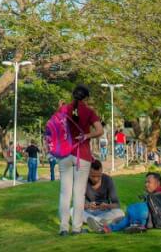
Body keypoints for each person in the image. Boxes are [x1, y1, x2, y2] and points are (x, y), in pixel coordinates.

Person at [57, 85, 105, 236]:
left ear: (73, 95)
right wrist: (87, 136)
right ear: (86, 98)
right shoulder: (89, 112)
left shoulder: (64, 109)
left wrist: (60, 108)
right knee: (79, 193)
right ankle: (76, 228)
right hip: (82, 155)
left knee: (65, 193)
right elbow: (100, 130)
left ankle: (63, 228)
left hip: (64, 154)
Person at [83, 159, 125, 233]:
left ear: (101, 171)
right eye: (93, 176)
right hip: (89, 212)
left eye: (99, 176)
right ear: (88, 173)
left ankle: (95, 222)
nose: (96, 179)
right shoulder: (83, 181)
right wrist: (88, 205)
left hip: (105, 212)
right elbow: (78, 204)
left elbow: (117, 204)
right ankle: (100, 222)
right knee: (73, 210)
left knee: (121, 213)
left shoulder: (108, 180)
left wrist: (107, 206)